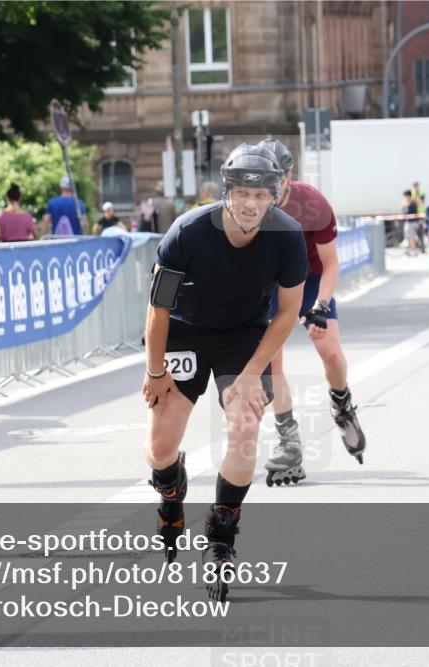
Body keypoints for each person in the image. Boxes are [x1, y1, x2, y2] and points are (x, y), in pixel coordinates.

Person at [142, 144, 307, 601]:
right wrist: (155, 371)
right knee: (160, 447)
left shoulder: (288, 235)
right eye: (242, 194)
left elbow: (287, 313)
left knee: (246, 426)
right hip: (183, 331)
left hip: (243, 336)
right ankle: (170, 488)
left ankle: (220, 535)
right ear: (227, 192)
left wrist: (254, 372)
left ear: (275, 195)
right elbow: (157, 309)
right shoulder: (187, 232)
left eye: (261, 195)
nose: (251, 204)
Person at [257, 138, 368, 486]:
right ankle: (288, 440)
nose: (270, 187)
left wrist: (320, 306)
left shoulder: (313, 204)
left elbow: (331, 263)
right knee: (271, 360)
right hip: (272, 282)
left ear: (289, 175)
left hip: (311, 277)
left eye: (276, 178)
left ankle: (342, 404)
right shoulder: (249, 203)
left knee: (330, 352)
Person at [401, 189, 423, 256]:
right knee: (408, 237)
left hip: (413, 222)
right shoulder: (405, 203)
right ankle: (412, 249)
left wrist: (415, 195)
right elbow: (402, 209)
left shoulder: (413, 202)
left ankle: (414, 250)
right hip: (407, 222)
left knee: (411, 237)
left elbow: (421, 204)